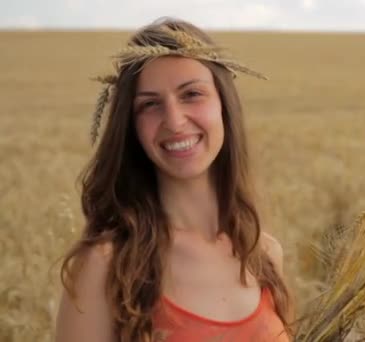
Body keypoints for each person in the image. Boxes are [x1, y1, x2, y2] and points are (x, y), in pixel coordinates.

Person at [55, 17, 293, 342]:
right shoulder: (105, 268)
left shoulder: (264, 253)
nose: (175, 121)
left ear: (224, 104)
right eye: (150, 104)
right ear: (131, 126)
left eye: (192, 94)